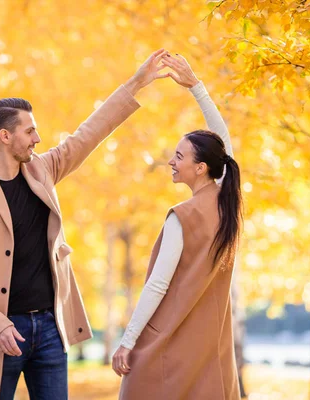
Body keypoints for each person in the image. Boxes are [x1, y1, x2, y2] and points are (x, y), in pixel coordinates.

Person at [0, 49, 171, 400]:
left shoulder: (42, 171)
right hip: (2, 331)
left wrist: (138, 82)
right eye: (29, 131)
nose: (37, 138)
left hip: (50, 328)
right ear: (5, 137)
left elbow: (89, 133)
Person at [112, 54, 242, 400]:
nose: (171, 161)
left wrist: (127, 342)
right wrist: (196, 88)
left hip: (172, 342)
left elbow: (157, 286)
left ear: (201, 168)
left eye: (180, 156)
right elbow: (225, 148)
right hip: (212, 349)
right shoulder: (228, 205)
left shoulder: (182, 216)